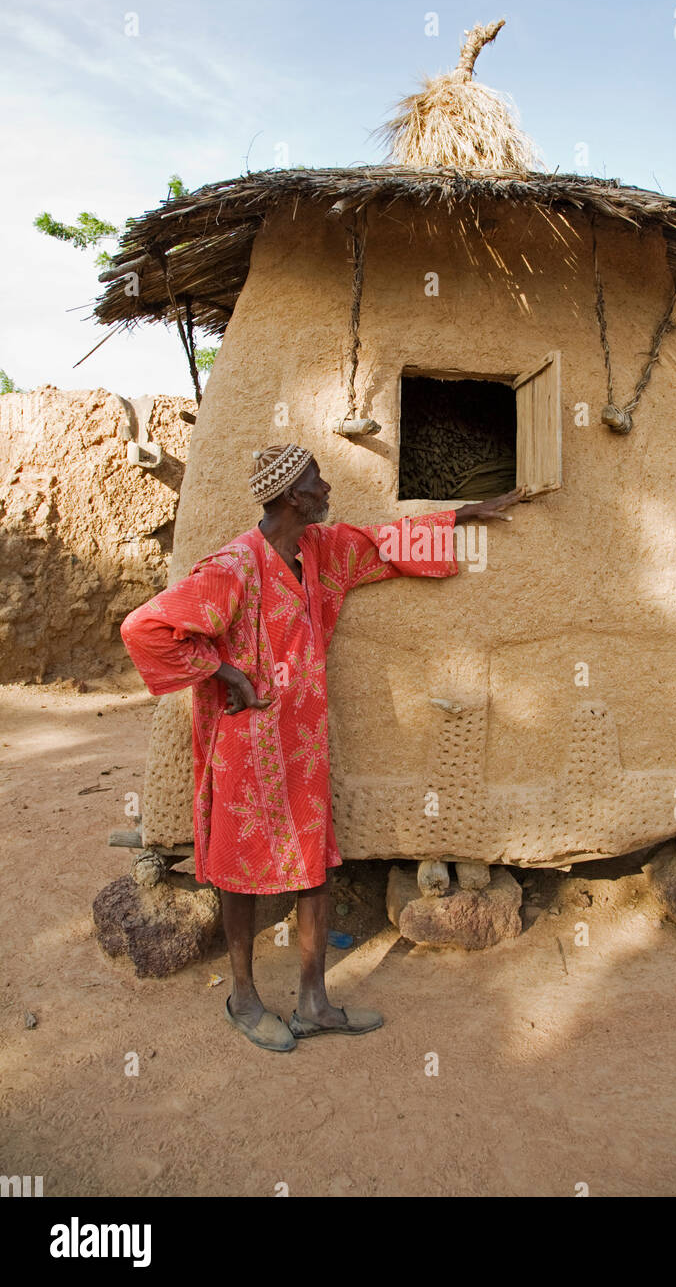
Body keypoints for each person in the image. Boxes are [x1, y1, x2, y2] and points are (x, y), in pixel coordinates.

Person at [121, 441, 525, 1052]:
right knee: (238, 871)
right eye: (317, 481)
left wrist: (464, 515)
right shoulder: (234, 568)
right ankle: (243, 996)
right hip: (245, 743)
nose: (328, 488)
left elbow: (381, 544)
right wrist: (222, 672)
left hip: (302, 742)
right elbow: (144, 628)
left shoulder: (317, 549)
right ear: (291, 495)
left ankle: (313, 1002)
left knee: (314, 866)